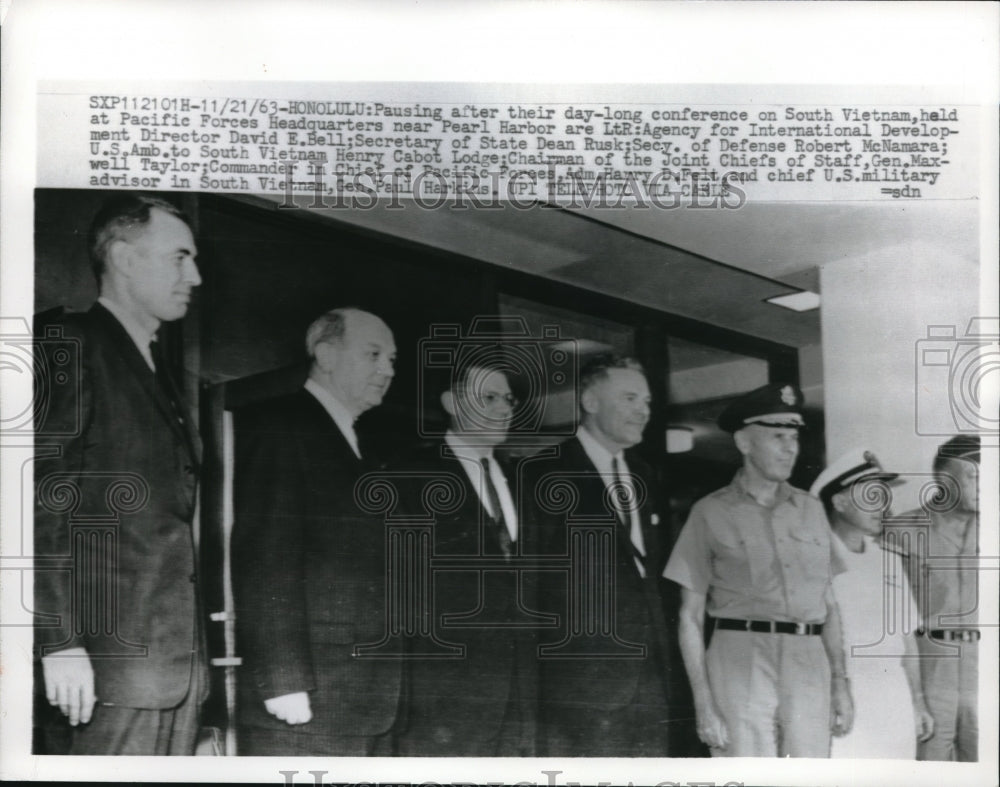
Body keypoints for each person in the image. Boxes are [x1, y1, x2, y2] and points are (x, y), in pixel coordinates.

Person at [33, 194, 206, 755]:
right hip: (102, 672)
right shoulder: (71, 344)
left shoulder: (158, 371)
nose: (196, 276)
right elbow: (37, 500)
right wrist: (57, 642)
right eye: (180, 257)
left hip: (169, 671)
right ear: (127, 260)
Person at [231, 307, 403, 756]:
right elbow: (264, 556)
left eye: (392, 359)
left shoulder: (363, 444)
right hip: (306, 705)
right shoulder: (279, 424)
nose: (387, 369)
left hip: (364, 700)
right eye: (374, 354)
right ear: (326, 355)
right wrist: (283, 680)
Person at [664, 382, 853, 758]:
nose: (791, 448)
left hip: (807, 657)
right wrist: (702, 702)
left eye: (795, 437)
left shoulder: (812, 509)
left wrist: (840, 681)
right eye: (779, 437)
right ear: (745, 443)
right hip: (740, 658)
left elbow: (829, 605)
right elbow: (689, 617)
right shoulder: (709, 512)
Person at [523, 354, 672, 757]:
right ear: (590, 402)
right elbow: (530, 585)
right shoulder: (543, 473)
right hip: (579, 688)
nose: (643, 411)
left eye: (647, 402)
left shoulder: (644, 475)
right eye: (630, 398)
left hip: (650, 683)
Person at [395, 362, 538, 756]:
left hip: (521, 698)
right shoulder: (412, 476)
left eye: (509, 399)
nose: (505, 408)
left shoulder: (524, 480)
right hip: (444, 699)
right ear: (451, 403)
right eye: (489, 398)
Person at [810, 449, 934, 759]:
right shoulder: (815, 559)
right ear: (839, 502)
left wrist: (917, 700)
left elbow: (907, 640)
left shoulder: (889, 560)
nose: (883, 506)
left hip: (893, 692)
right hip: (847, 691)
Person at [896, 434, 980, 762]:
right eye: (974, 477)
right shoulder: (901, 531)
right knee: (931, 762)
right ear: (945, 479)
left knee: (987, 763)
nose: (985, 486)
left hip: (985, 664)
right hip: (930, 662)